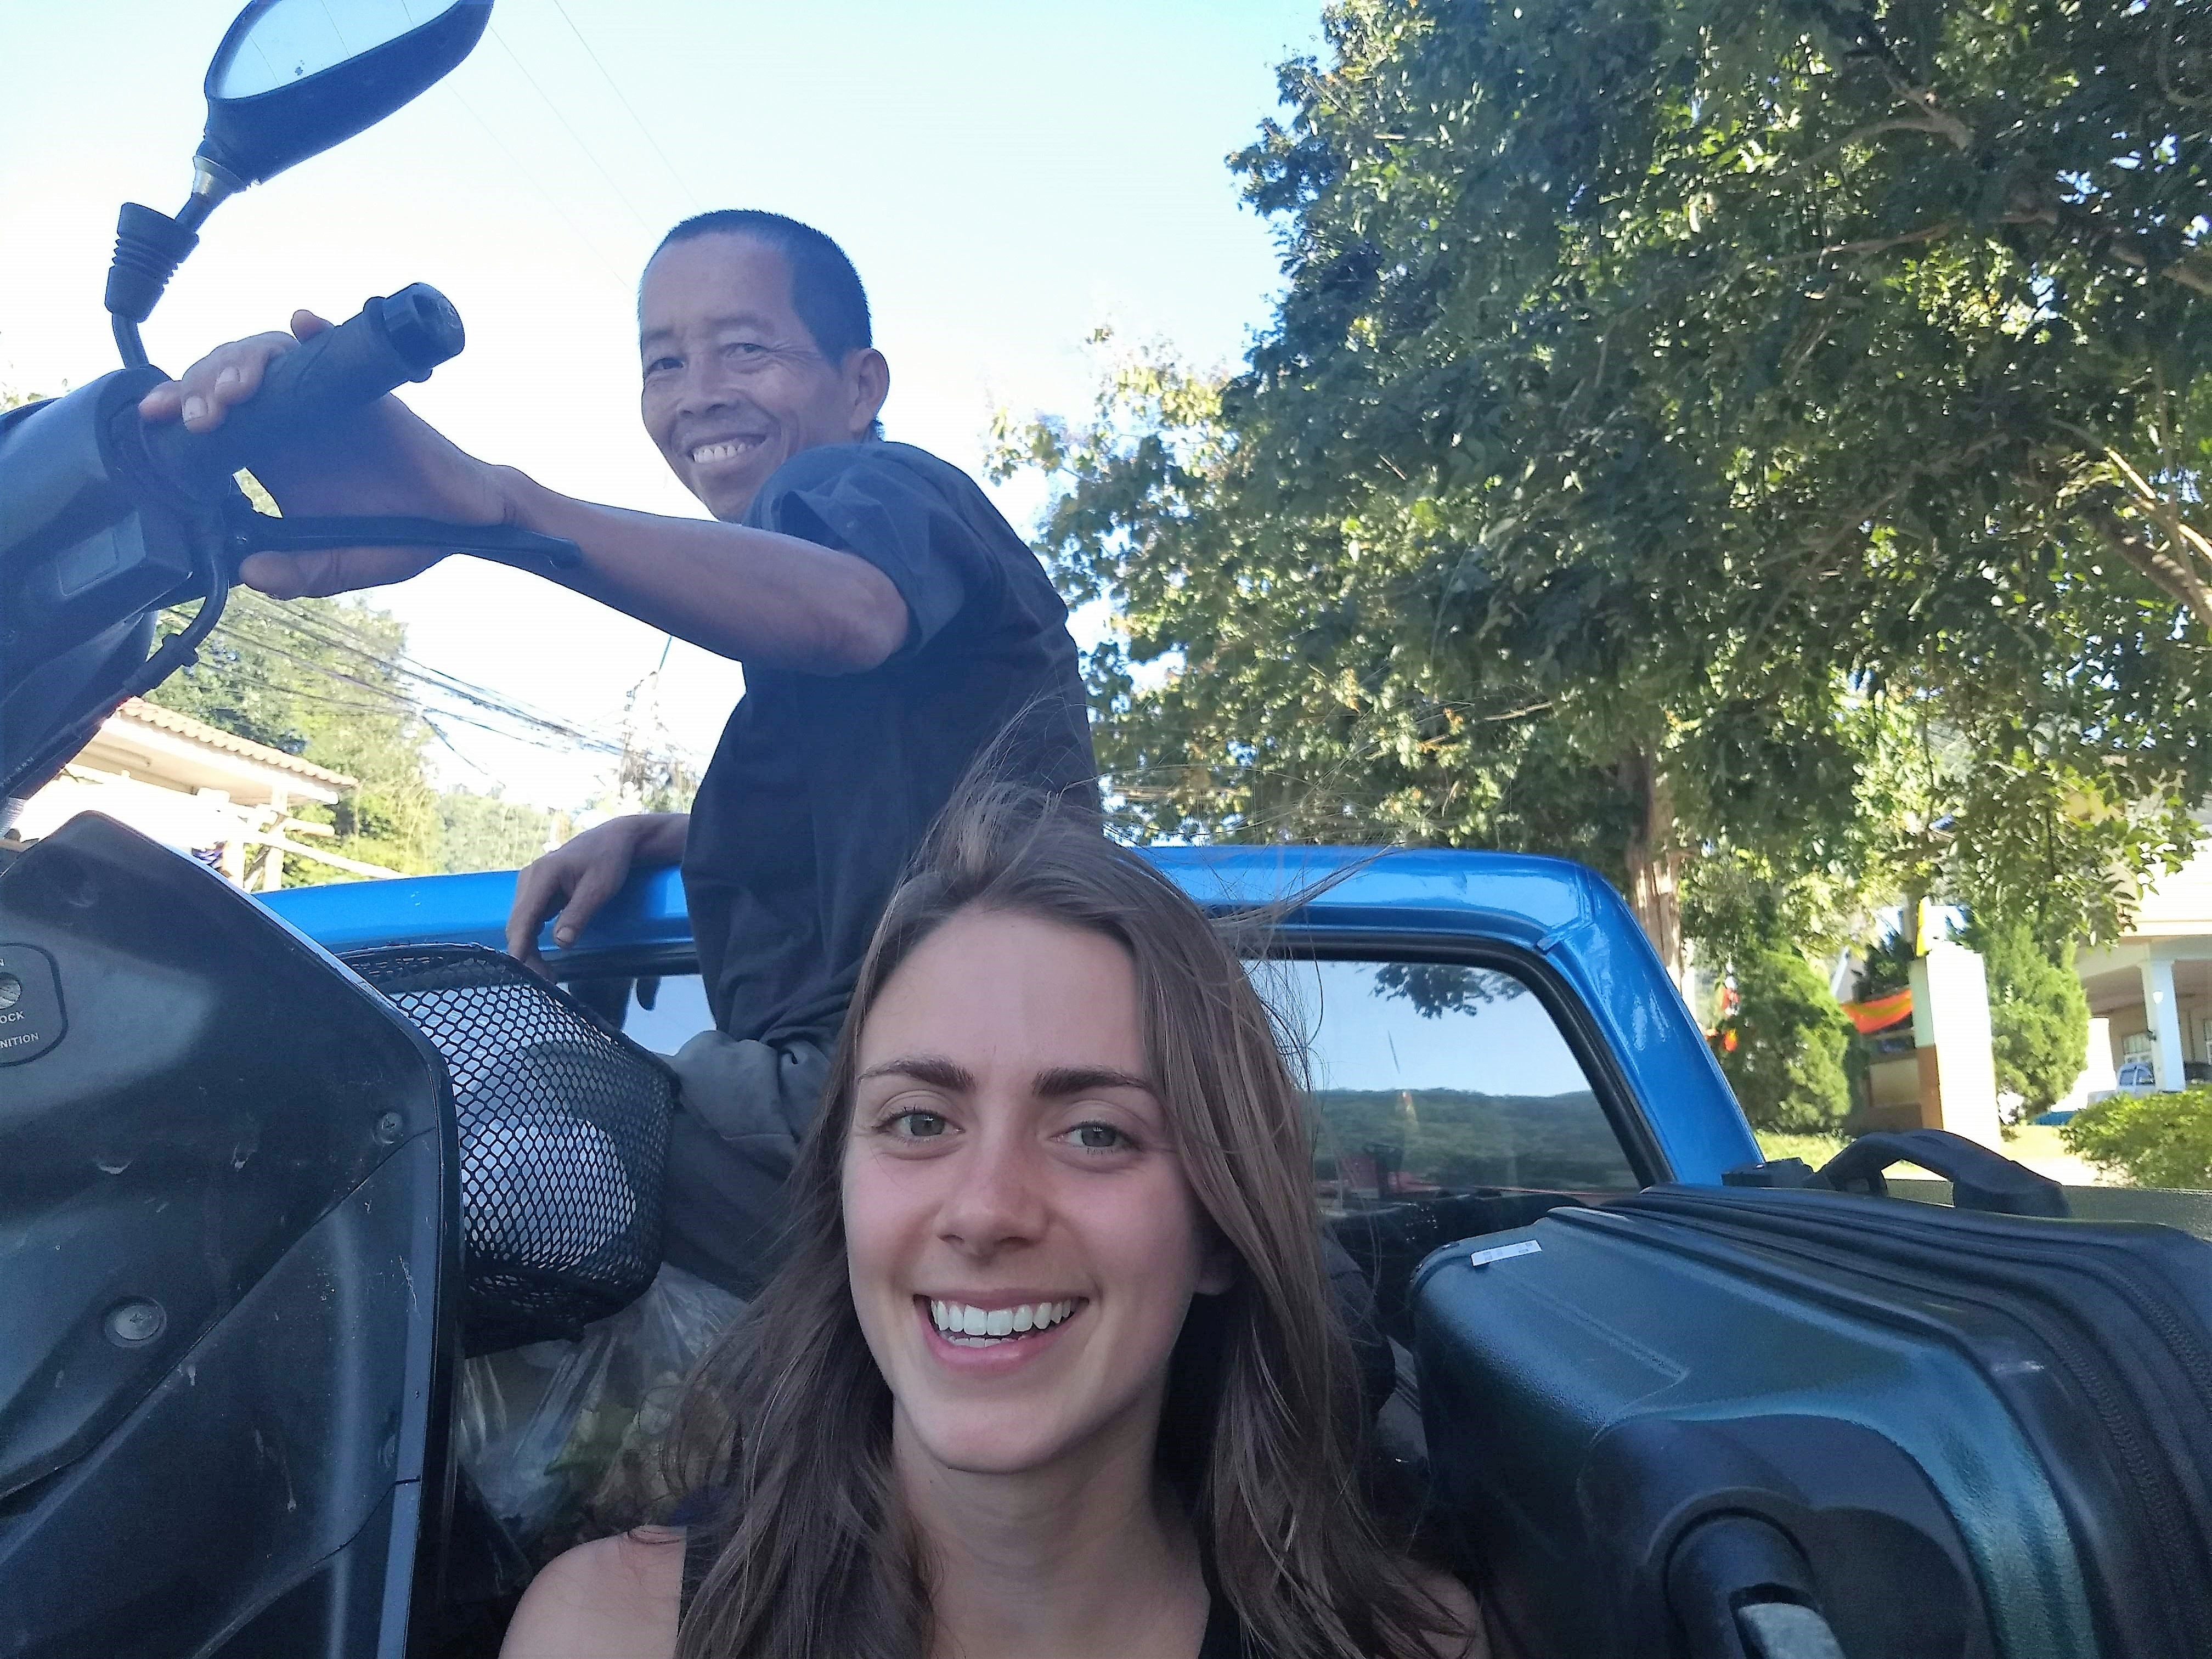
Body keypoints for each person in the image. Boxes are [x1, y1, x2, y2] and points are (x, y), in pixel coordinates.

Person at [138, 211, 1096, 1296]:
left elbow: (852, 613)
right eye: (665, 362)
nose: (701, 391)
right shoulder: (866, 582)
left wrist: (499, 508)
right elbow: (922, 799)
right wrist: (668, 837)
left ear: (860, 384)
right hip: (944, 1086)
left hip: (886, 1091)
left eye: (747, 349)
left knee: (439, 1113)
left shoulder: (859, 492)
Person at [497, 787, 1486, 1659]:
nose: (983, 1211)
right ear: (841, 1196)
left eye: (1097, 1133)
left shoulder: (1406, 1645)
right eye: (920, 1121)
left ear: (1219, 1232)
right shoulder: (612, 1632)